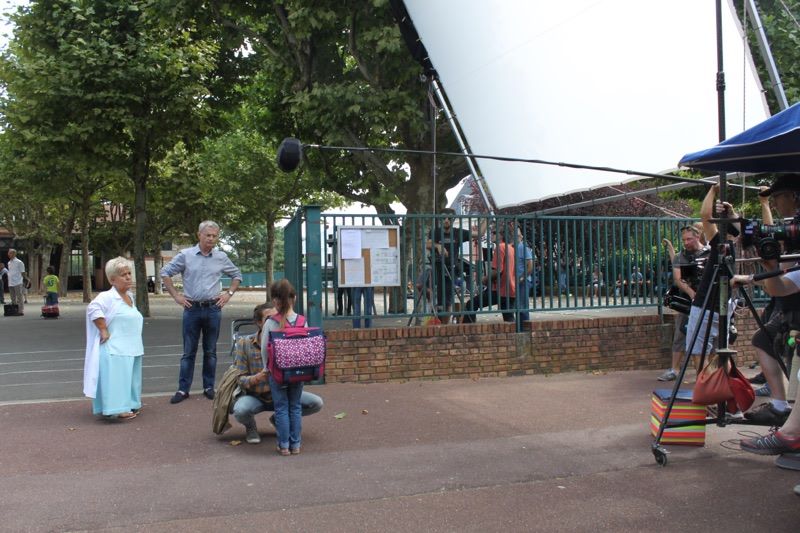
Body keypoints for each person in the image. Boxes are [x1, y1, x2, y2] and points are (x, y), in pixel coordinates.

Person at [731, 175, 800, 426]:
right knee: (765, 340)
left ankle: (789, 423)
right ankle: (783, 409)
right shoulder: (792, 228)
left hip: (793, 307)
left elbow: (782, 281)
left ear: (793, 196)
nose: (775, 203)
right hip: (788, 305)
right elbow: (781, 271)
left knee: (794, 364)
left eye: (777, 197)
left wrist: (760, 271)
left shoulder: (795, 228)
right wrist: (755, 274)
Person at [161, 220, 243, 404]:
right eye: (208, 235)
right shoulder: (186, 255)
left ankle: (208, 387)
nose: (211, 239)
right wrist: (176, 296)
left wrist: (228, 294)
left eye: (214, 236)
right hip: (192, 309)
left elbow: (237, 275)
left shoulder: (221, 257)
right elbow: (165, 273)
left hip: (213, 309)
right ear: (199, 235)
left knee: (210, 351)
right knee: (188, 351)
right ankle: (183, 390)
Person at [231, 302, 324, 444]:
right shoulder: (244, 343)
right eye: (269, 318)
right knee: (240, 409)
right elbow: (239, 378)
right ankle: (250, 426)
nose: (275, 321)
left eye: (278, 317)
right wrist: (257, 378)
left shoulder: (286, 341)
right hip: (258, 396)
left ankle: (278, 420)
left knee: (316, 403)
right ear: (258, 322)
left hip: (283, 395)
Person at [82, 257, 143, 420]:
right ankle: (118, 409)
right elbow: (93, 308)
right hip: (115, 349)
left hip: (132, 347)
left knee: (131, 379)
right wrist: (103, 329)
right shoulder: (107, 296)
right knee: (118, 379)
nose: (129, 277)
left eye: (129, 273)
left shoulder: (130, 296)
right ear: (112, 279)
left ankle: (131, 403)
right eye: (124, 275)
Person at [685, 184, 739, 361]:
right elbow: (739, 227)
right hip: (724, 305)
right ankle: (720, 384)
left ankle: (706, 386)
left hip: (705, 304)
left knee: (697, 354)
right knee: (720, 354)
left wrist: (713, 190)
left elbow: (705, 216)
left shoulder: (720, 244)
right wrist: (731, 212)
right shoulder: (738, 246)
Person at [658, 224, 709, 381]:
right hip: (688, 302)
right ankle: (674, 369)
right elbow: (678, 278)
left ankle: (708, 374)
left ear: (698, 236)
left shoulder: (709, 253)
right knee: (681, 333)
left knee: (709, 337)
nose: (686, 242)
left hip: (708, 301)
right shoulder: (682, 256)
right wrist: (692, 294)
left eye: (689, 239)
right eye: (684, 240)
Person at [261, 279, 306, 455]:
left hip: (278, 372)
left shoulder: (271, 322)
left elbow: (265, 348)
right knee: (295, 407)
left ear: (275, 300)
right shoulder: (302, 321)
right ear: (293, 298)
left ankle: (284, 445)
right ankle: (296, 445)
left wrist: (266, 368)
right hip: (299, 372)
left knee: (281, 408)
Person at [462, 224, 516, 323]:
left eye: (494, 233)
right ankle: (514, 336)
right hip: (510, 289)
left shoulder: (500, 248)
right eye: (491, 232)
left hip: (499, 289)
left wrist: (485, 279)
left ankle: (468, 331)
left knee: (471, 304)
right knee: (509, 317)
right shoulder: (511, 248)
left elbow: (498, 270)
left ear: (502, 235)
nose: (491, 235)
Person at [426, 209, 471, 323]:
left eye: (449, 218)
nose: (446, 220)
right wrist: (438, 246)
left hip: (451, 268)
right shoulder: (435, 231)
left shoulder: (458, 232)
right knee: (421, 284)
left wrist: (485, 217)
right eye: (444, 218)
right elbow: (428, 244)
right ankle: (432, 305)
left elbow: (479, 233)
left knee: (447, 299)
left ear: (453, 220)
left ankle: (445, 324)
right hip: (435, 267)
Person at [513, 226, 534, 322]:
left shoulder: (523, 248)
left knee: (522, 307)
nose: (515, 237)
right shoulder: (512, 248)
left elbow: (530, 266)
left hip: (523, 281)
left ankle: (524, 328)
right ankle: (519, 327)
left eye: (517, 236)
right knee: (517, 306)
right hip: (515, 281)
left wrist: (521, 278)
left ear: (521, 237)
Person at [6, 249, 27, 315]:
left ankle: (21, 310)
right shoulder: (9, 262)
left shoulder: (19, 262)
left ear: (14, 254)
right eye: (8, 253)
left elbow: (22, 272)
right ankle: (14, 309)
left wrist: (26, 279)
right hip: (11, 282)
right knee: (12, 297)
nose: (8, 254)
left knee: (19, 297)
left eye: (10, 253)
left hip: (18, 282)